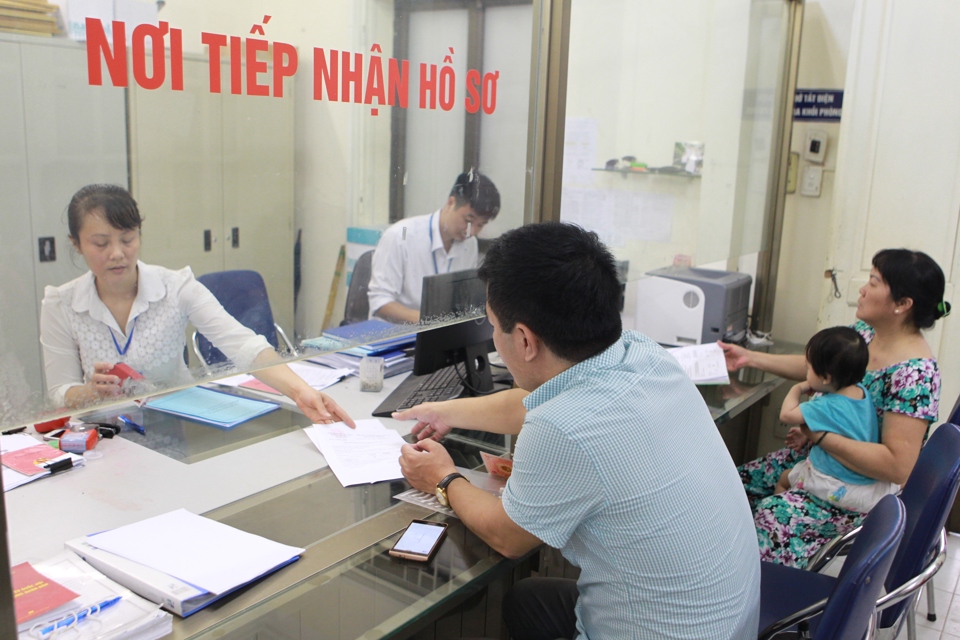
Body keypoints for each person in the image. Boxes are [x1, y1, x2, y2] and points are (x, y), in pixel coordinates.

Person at [396, 222, 760, 639]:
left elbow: (507, 536)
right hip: (728, 622)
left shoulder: (562, 428)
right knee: (528, 599)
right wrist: (447, 412)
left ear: (526, 341)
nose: (494, 338)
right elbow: (545, 399)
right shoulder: (640, 353)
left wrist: (442, 478)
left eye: (494, 326)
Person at [40, 184, 354, 426]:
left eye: (127, 238)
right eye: (100, 243)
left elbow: (244, 344)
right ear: (77, 244)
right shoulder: (60, 303)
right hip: (107, 435)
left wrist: (300, 391)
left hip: (181, 425)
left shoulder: (176, 287)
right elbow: (60, 390)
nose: (117, 253)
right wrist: (92, 392)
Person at [721, 248, 947, 568]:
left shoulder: (915, 375)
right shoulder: (869, 335)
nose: (862, 289)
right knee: (729, 486)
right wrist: (749, 357)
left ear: (902, 304)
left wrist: (820, 436)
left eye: (873, 282)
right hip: (820, 461)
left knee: (768, 520)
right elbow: (819, 370)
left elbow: (897, 467)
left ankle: (761, 595)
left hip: (853, 491)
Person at [774, 327, 891, 515]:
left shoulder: (826, 405)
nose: (806, 373)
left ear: (826, 377)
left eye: (808, 369)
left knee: (784, 479)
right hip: (867, 487)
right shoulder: (860, 392)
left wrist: (797, 388)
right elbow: (844, 427)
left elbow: (786, 415)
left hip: (836, 485)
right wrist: (807, 434)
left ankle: (780, 508)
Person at [367, 170, 500, 324]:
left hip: (439, 333)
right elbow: (380, 302)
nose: (472, 232)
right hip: (394, 334)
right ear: (451, 203)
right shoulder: (400, 236)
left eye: (480, 225)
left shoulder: (469, 244)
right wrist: (429, 322)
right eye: (468, 220)